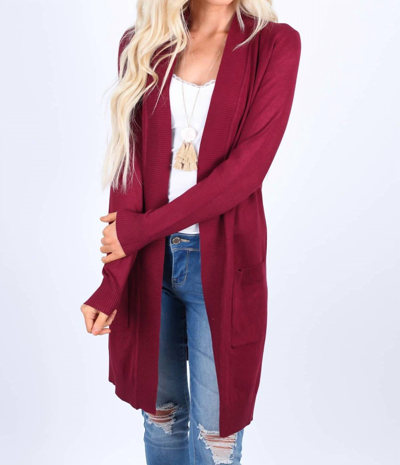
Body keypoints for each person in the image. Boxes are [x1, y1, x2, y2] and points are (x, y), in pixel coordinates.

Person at [81, 1, 301, 463]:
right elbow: (128, 169)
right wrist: (112, 283)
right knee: (161, 421)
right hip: (147, 265)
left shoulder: (274, 44)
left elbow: (244, 174)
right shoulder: (142, 44)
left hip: (222, 266)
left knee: (216, 438)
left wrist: (142, 230)